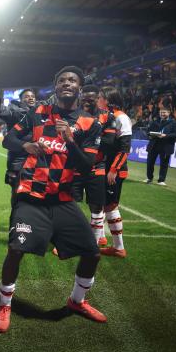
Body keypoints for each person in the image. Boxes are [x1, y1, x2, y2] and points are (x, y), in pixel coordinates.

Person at [0, 66, 106, 333]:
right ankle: (4, 304)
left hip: (63, 198)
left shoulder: (90, 124)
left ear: (79, 88)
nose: (67, 83)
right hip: (31, 196)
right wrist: (26, 145)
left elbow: (87, 166)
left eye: (72, 80)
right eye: (62, 80)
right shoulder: (37, 113)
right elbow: (8, 139)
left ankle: (77, 301)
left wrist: (69, 140)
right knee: (16, 249)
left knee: (92, 253)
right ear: (55, 87)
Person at [69, 85, 116, 247]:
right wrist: (93, 138)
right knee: (70, 205)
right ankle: (69, 241)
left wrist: (86, 139)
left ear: (98, 99)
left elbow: (109, 143)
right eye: (84, 99)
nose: (87, 102)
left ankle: (93, 243)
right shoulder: (74, 115)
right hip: (74, 167)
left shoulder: (108, 117)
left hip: (97, 167)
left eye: (91, 99)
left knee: (96, 206)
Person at [0, 89, 36, 224]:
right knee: (17, 193)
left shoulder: (42, 111)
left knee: (37, 194)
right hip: (18, 159)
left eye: (33, 96)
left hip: (38, 159)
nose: (31, 98)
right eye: (27, 96)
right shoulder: (14, 111)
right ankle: (15, 224)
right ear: (21, 99)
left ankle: (34, 224)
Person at [99, 86, 132, 258]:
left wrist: (113, 169)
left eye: (100, 97)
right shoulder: (106, 116)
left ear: (107, 99)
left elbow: (125, 148)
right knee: (102, 204)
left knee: (110, 206)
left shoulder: (121, 117)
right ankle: (102, 238)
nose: (98, 99)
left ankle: (119, 247)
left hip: (114, 170)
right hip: (105, 168)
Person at [145, 107, 176, 186]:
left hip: (165, 146)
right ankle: (149, 178)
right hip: (154, 145)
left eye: (164, 112)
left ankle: (161, 180)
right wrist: (150, 135)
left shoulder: (173, 123)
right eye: (161, 112)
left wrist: (165, 136)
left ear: (169, 113)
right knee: (150, 162)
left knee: (164, 164)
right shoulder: (155, 121)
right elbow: (148, 131)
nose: (162, 114)